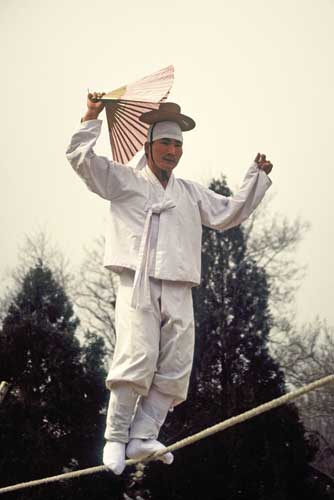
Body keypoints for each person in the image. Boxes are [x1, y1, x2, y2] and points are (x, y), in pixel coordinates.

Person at [66, 92, 274, 475]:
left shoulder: (190, 192)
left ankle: (143, 435)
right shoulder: (124, 180)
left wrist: (255, 178)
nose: (172, 151)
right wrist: (91, 117)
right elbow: (83, 161)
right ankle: (114, 437)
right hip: (137, 282)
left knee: (176, 364)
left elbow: (228, 213)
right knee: (136, 356)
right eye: (165, 143)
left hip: (179, 286)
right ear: (148, 146)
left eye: (178, 145)